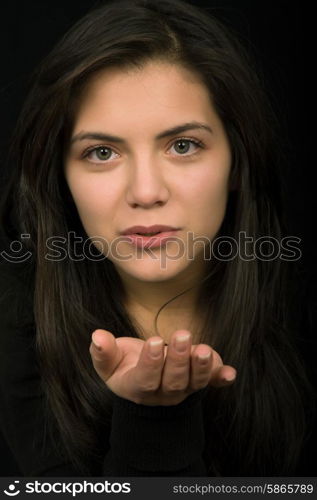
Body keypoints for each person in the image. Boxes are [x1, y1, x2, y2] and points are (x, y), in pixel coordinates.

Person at [0, 0, 315, 477]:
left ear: (237, 159)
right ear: (59, 176)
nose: (146, 193)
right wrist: (151, 420)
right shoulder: (16, 332)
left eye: (183, 146)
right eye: (102, 152)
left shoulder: (302, 309)